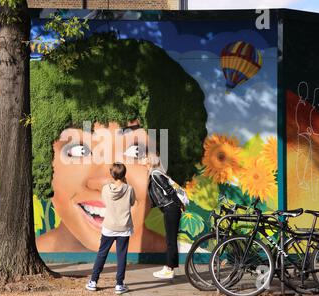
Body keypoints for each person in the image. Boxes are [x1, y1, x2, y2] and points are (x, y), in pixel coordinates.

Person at [31, 32, 207, 253]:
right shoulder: (19, 257)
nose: (105, 180)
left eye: (136, 150)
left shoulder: (195, 259)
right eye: (79, 149)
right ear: (41, 161)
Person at [85, 162, 135, 294]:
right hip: (124, 227)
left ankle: (93, 281)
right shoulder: (129, 189)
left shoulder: (106, 189)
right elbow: (132, 202)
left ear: (112, 175)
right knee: (121, 256)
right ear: (124, 174)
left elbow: (105, 202)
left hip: (109, 227)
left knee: (102, 254)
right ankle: (119, 284)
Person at [142, 154, 184, 279]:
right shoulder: (155, 173)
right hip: (170, 208)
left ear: (149, 161)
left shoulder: (156, 174)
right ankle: (169, 267)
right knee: (170, 239)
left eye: (144, 157)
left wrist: (179, 204)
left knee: (170, 240)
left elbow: (169, 190)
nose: (142, 159)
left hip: (171, 207)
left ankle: (169, 269)